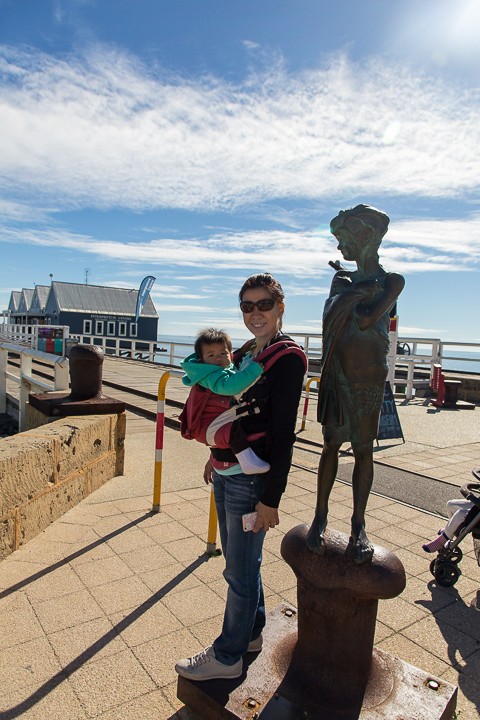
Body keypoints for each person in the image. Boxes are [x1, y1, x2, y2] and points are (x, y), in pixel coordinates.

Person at [175, 273, 307, 681]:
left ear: (281, 308)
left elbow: (283, 433)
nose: (255, 313)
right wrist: (216, 456)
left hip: (252, 483)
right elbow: (232, 414)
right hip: (228, 470)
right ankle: (251, 633)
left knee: (240, 570)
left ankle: (228, 655)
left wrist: (272, 498)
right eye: (247, 306)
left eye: (264, 305)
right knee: (240, 563)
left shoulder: (286, 358)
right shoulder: (253, 350)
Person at [306, 205, 405, 564]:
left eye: (344, 239)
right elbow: (332, 314)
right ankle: (320, 517)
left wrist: (356, 294)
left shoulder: (393, 280)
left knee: (363, 449)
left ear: (366, 237)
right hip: (339, 372)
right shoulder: (343, 281)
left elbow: (365, 319)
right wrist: (356, 291)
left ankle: (358, 524)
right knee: (331, 443)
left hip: (368, 377)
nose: (339, 248)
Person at [180, 327, 270, 475]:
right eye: (211, 355)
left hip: (214, 424)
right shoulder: (210, 375)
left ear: (230, 354)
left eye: (223, 353)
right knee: (235, 432)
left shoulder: (214, 368)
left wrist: (242, 351)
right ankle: (248, 462)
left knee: (234, 429)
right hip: (210, 429)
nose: (218, 358)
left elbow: (231, 367)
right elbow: (230, 386)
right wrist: (254, 369)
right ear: (201, 360)